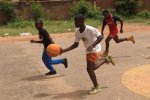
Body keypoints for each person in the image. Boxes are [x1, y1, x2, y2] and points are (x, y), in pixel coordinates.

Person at [61, 14, 115, 95]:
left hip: (95, 49)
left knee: (89, 69)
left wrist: (92, 45)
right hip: (88, 51)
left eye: (76, 21)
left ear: (81, 21)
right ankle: (106, 59)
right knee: (92, 68)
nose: (74, 23)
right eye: (74, 21)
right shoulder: (77, 32)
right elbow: (75, 45)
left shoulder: (90, 29)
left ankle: (97, 87)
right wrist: (64, 50)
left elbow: (100, 37)